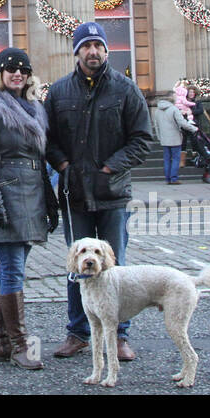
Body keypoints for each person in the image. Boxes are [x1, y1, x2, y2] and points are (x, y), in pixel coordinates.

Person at [45, 22, 152, 362]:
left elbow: (142, 139)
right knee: (78, 268)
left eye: (98, 46)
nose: (93, 52)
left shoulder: (126, 89)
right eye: (86, 46)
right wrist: (63, 166)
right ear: (76, 51)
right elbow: (46, 138)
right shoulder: (60, 92)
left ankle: (118, 335)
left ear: (107, 51)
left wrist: (110, 166)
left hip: (112, 194)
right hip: (74, 194)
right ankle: (77, 333)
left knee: (112, 269)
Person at [0, 46, 57, 370]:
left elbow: (39, 156)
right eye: (10, 69)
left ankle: (1, 341)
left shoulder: (34, 106)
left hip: (32, 192)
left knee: (12, 267)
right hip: (6, 193)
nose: (17, 73)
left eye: (22, 68)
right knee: (13, 269)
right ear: (0, 73)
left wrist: (49, 198)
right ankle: (21, 344)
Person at [153, 89, 197, 185]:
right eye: (175, 96)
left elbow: (156, 126)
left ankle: (168, 178)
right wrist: (194, 129)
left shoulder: (157, 110)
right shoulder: (174, 109)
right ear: (171, 98)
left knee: (167, 159)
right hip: (175, 138)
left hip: (164, 138)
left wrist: (159, 137)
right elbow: (182, 123)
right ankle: (174, 178)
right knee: (176, 159)